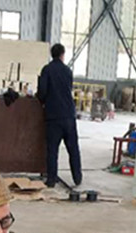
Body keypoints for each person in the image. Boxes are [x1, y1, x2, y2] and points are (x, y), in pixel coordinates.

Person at [37, 43, 82, 189]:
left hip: (53, 116)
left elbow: (42, 92)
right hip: (69, 115)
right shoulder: (68, 71)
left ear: (52, 55)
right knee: (73, 148)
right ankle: (77, 177)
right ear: (63, 55)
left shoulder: (47, 70)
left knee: (52, 150)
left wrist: (42, 100)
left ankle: (51, 179)